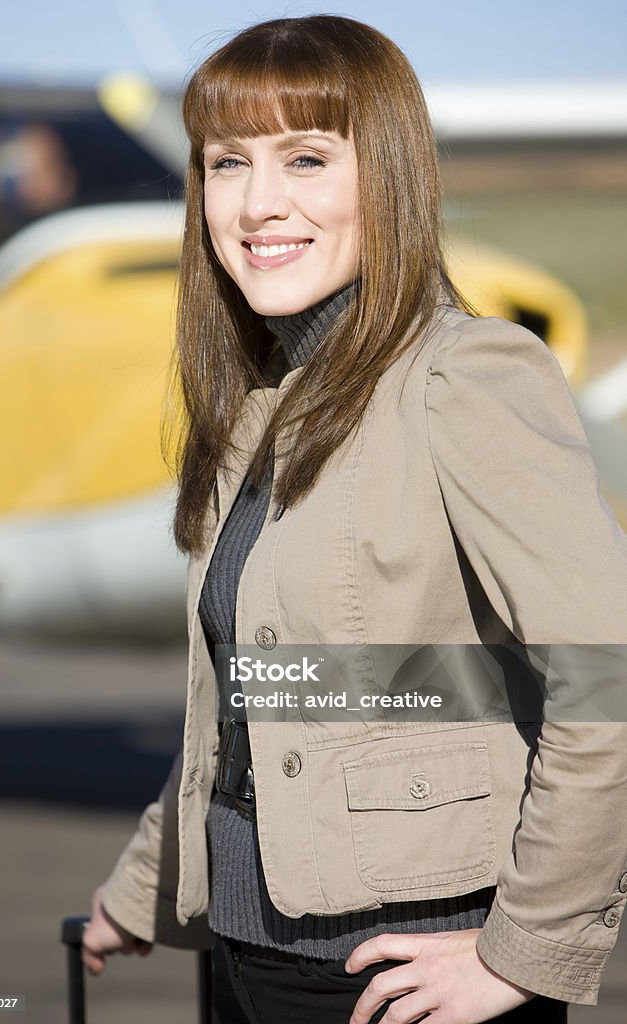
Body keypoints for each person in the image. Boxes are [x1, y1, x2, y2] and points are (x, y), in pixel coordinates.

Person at [81, 15, 627, 1023]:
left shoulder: (464, 378)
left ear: (385, 176)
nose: (257, 203)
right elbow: (256, 693)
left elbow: (604, 672)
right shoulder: (258, 406)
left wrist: (521, 951)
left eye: (303, 157)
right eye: (227, 162)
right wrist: (139, 890)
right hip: (244, 958)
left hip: (387, 975)